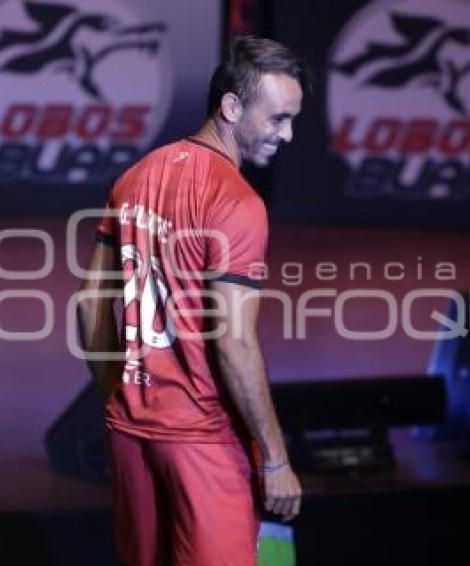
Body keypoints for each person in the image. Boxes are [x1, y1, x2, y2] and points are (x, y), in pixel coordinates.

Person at [76, 35, 310, 566]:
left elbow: (90, 306)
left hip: (132, 434)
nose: (288, 134)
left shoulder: (133, 178)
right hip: (203, 442)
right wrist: (275, 460)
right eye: (277, 119)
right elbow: (234, 343)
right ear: (231, 106)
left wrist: (119, 396)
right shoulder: (237, 202)